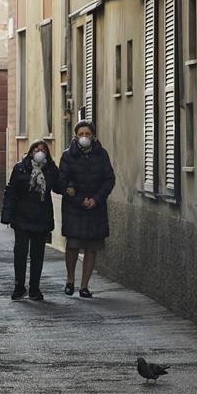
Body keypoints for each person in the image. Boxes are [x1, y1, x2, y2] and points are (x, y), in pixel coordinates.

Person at [58, 121, 115, 298]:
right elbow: (62, 182)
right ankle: (70, 280)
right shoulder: (68, 156)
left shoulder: (101, 154)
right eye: (81, 134)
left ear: (93, 136)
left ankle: (84, 285)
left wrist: (96, 200)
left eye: (87, 134)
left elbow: (109, 179)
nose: (84, 137)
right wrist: (79, 199)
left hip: (95, 208)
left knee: (92, 247)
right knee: (73, 245)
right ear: (75, 136)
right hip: (74, 208)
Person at [0, 140, 61, 300]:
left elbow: (59, 187)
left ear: (47, 153)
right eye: (36, 149)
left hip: (41, 217)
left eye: (42, 150)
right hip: (21, 217)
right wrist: (6, 215)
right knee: (20, 253)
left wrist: (59, 173)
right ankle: (19, 286)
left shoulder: (50, 170)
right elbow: (11, 191)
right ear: (31, 152)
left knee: (37, 254)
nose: (39, 152)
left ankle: (34, 288)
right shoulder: (20, 168)